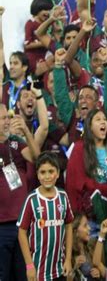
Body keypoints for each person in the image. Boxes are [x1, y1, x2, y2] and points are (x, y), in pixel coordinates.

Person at [17, 152, 74, 281]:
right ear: (37, 175)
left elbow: (69, 226)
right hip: (38, 272)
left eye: (51, 171)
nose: (47, 176)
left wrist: (69, 259)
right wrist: (29, 265)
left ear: (58, 173)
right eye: (43, 172)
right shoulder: (32, 199)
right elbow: (21, 232)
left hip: (60, 269)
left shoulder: (63, 196)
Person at [0, 103, 40, 281]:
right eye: (3, 119)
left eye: (8, 118)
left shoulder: (16, 142)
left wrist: (26, 131)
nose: (7, 122)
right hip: (1, 225)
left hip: (22, 224)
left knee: (23, 275)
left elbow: (36, 158)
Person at [70, 214, 101, 280]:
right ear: (76, 232)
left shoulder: (91, 246)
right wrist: (74, 268)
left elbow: (102, 270)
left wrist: (98, 273)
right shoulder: (68, 254)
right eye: (85, 225)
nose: (89, 228)